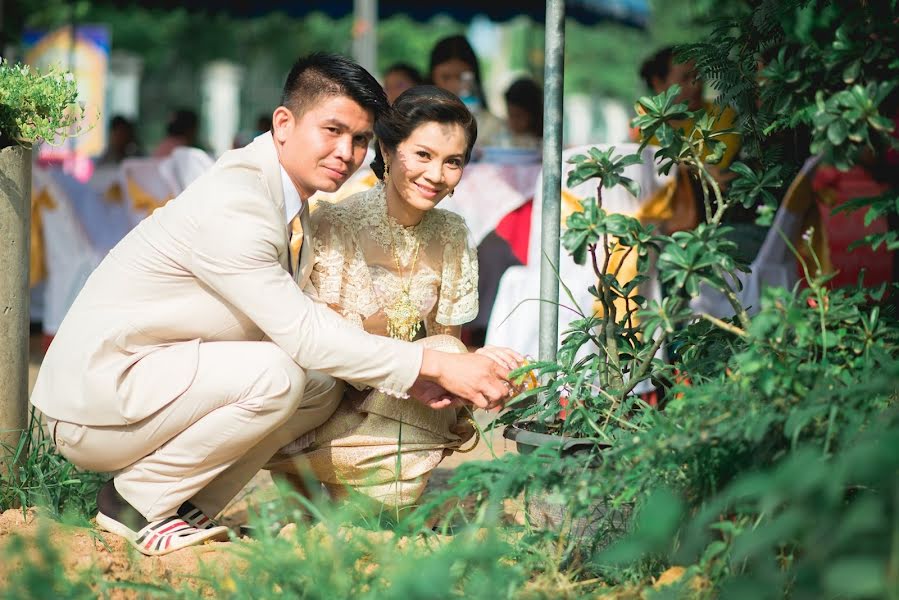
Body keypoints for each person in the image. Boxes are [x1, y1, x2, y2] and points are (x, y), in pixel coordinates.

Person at [30, 52, 518, 557]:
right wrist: (428, 362)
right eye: (331, 130)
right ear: (283, 123)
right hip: (95, 406)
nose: (345, 153)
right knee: (281, 372)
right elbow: (303, 331)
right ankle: (131, 505)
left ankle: (186, 508)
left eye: (358, 139)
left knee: (316, 385)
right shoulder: (239, 202)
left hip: (152, 382)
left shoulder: (288, 197)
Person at [267, 86, 522, 507]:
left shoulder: (454, 235)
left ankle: (370, 499)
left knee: (453, 351)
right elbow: (320, 353)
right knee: (443, 354)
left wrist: (485, 360)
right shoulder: (335, 221)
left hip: (403, 405)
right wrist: (429, 361)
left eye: (452, 162)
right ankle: (314, 482)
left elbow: (447, 347)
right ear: (387, 150)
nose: (436, 175)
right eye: (422, 155)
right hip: (327, 409)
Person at [428, 34, 504, 151]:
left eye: (461, 77)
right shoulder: (418, 123)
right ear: (432, 78)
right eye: (446, 77)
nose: (454, 85)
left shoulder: (494, 126)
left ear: (474, 79)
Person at [503, 77, 543, 148]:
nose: (513, 121)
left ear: (533, 114)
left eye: (518, 116)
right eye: (510, 115)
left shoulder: (544, 143)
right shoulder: (505, 138)